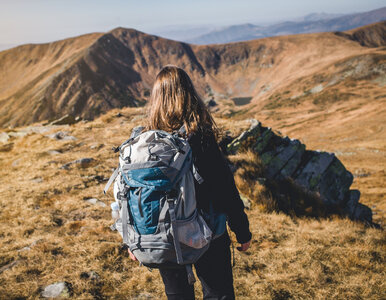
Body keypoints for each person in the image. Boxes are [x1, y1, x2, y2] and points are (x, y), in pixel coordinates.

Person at [127, 65, 252, 299]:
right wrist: (241, 231)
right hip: (208, 233)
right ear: (188, 95)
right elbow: (225, 189)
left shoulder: (144, 142)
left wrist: (133, 240)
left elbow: (129, 195)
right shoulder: (199, 138)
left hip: (163, 238)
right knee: (218, 294)